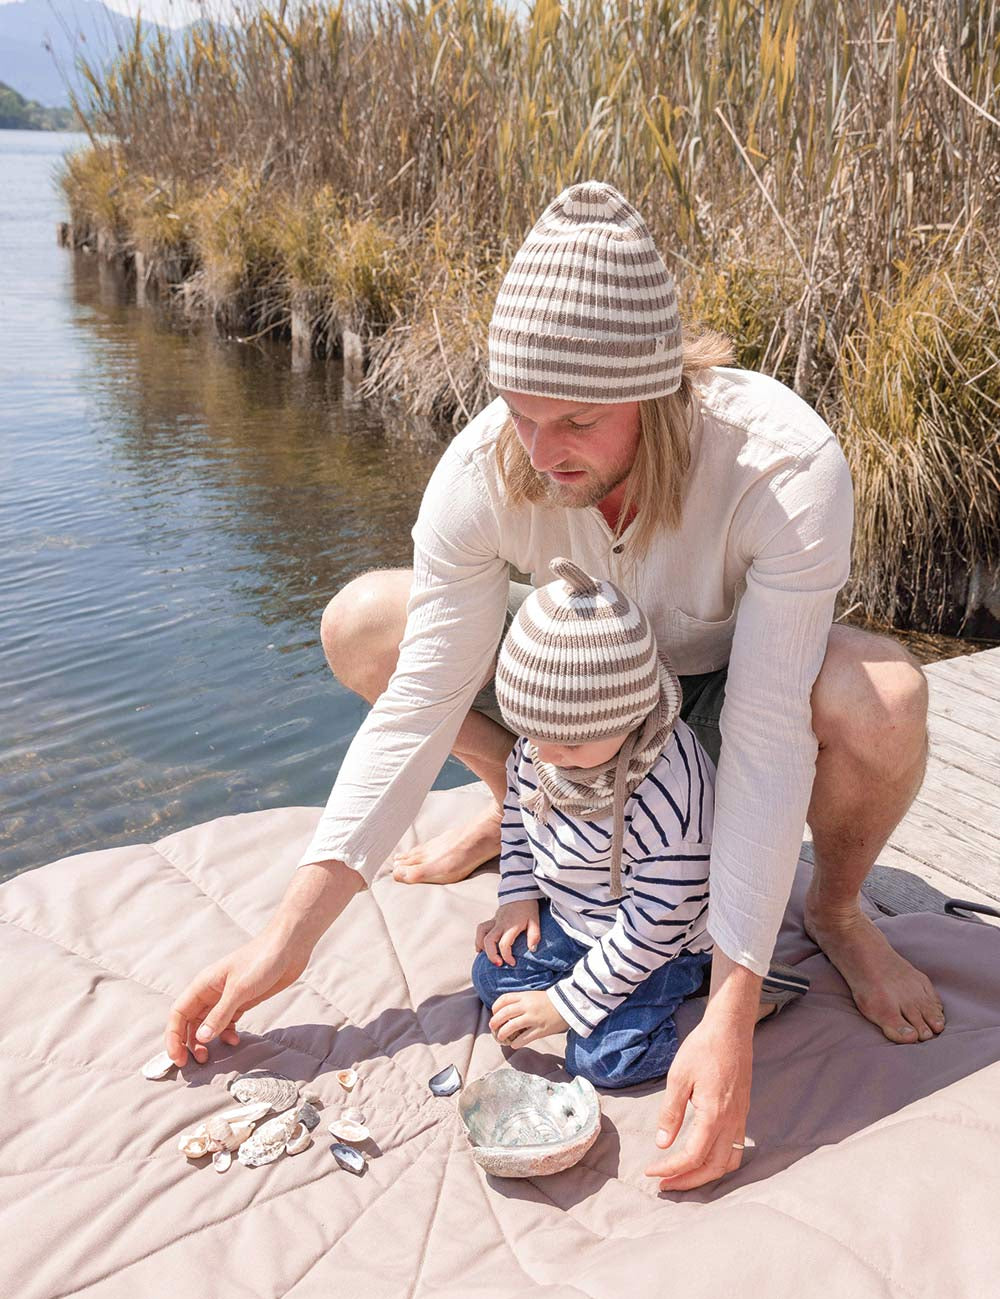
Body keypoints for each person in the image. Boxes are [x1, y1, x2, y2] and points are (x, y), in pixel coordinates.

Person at [165, 180, 944, 1192]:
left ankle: (836, 913)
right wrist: (287, 936)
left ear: (658, 389)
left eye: (573, 419)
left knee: (883, 699)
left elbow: (762, 732)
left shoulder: (782, 463)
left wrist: (728, 1007)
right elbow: (417, 703)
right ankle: (518, 806)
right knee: (365, 623)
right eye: (520, 413)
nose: (540, 452)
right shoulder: (490, 462)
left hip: (709, 710)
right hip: (566, 699)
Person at [472, 556, 809, 1089]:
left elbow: (659, 920)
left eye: (569, 743)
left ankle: (732, 1006)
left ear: (629, 715)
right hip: (579, 918)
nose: (543, 754)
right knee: (493, 975)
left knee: (604, 1060)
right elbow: (517, 818)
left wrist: (565, 1004)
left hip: (664, 943)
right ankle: (592, 992)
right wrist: (516, 895)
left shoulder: (668, 792)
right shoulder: (541, 747)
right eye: (528, 733)